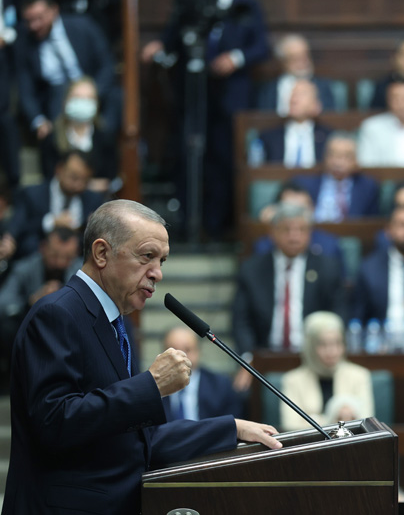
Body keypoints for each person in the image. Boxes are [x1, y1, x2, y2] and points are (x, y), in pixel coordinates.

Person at [2, 200, 281, 513]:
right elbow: (54, 424)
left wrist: (231, 429)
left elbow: (138, 440)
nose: (158, 273)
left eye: (162, 260)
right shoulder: (57, 314)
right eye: (147, 256)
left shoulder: (117, 324)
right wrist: (152, 385)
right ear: (101, 253)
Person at [141, 0, 270, 237]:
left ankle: (217, 225)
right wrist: (161, 45)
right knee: (189, 155)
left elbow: (262, 46)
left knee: (223, 158)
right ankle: (186, 223)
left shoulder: (247, 5)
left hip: (230, 97)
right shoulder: (192, 1)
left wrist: (235, 58)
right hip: (194, 94)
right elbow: (175, 34)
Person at [232, 203, 346, 388]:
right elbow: (241, 322)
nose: (294, 237)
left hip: (315, 358)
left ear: (310, 233)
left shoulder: (328, 269)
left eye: (301, 230)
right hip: (264, 359)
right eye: (286, 230)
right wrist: (248, 359)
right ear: (272, 233)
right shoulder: (252, 270)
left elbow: (338, 315)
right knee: (242, 390)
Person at [14, 0, 121, 142]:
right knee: (57, 99)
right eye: (29, 21)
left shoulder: (83, 25)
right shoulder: (24, 42)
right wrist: (38, 121)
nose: (34, 25)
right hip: (56, 97)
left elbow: (107, 64)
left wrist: (91, 92)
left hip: (91, 86)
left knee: (116, 97)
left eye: (39, 18)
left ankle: (104, 146)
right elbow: (25, 89)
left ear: (54, 10)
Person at [280, 311, 374, 430]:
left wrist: (316, 420)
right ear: (310, 347)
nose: (331, 352)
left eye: (337, 343)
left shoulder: (359, 375)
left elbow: (367, 424)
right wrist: (334, 418)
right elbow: (290, 426)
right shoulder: (292, 380)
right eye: (322, 344)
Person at [6, 149, 104, 259]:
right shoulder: (32, 195)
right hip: (38, 257)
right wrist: (51, 223)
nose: (78, 185)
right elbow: (21, 229)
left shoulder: (93, 199)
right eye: (74, 178)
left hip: (75, 259)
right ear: (59, 169)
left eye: (85, 181)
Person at [39, 76, 118, 191]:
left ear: (96, 104)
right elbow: (49, 177)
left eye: (89, 98)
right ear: (66, 101)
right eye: (77, 97)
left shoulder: (105, 136)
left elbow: (109, 179)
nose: (83, 103)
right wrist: (87, 185)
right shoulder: (52, 137)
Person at [0, 226, 81, 329]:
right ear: (43, 247)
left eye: (68, 257)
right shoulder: (24, 268)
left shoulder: (81, 271)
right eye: (54, 255)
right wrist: (30, 303)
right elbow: (3, 304)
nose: (60, 262)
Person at [162, 326, 244, 422]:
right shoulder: (155, 388)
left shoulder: (220, 385)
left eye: (187, 350)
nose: (180, 357)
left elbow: (232, 425)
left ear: (198, 351)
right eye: (174, 351)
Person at [292, 133, 380, 222]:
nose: (338, 162)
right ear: (324, 156)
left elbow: (372, 222)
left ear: (356, 160)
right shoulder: (305, 185)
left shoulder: (368, 188)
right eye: (333, 155)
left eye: (346, 156)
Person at [253, 181, 343, 265]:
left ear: (312, 209)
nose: (295, 217)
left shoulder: (329, 246)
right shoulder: (264, 247)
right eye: (289, 210)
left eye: (301, 210)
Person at [254, 79, 331, 168]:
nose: (294, 100)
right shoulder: (268, 137)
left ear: (317, 105)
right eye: (292, 94)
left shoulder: (329, 138)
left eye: (302, 94)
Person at [255, 33, 337, 113]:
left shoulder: (324, 87)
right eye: (296, 58)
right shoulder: (268, 91)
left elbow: (330, 117)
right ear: (283, 62)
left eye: (305, 55)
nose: (303, 61)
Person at [0, 0, 24, 188]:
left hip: (5, 51)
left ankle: (13, 180)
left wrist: (6, 36)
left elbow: (22, 20)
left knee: (6, 118)